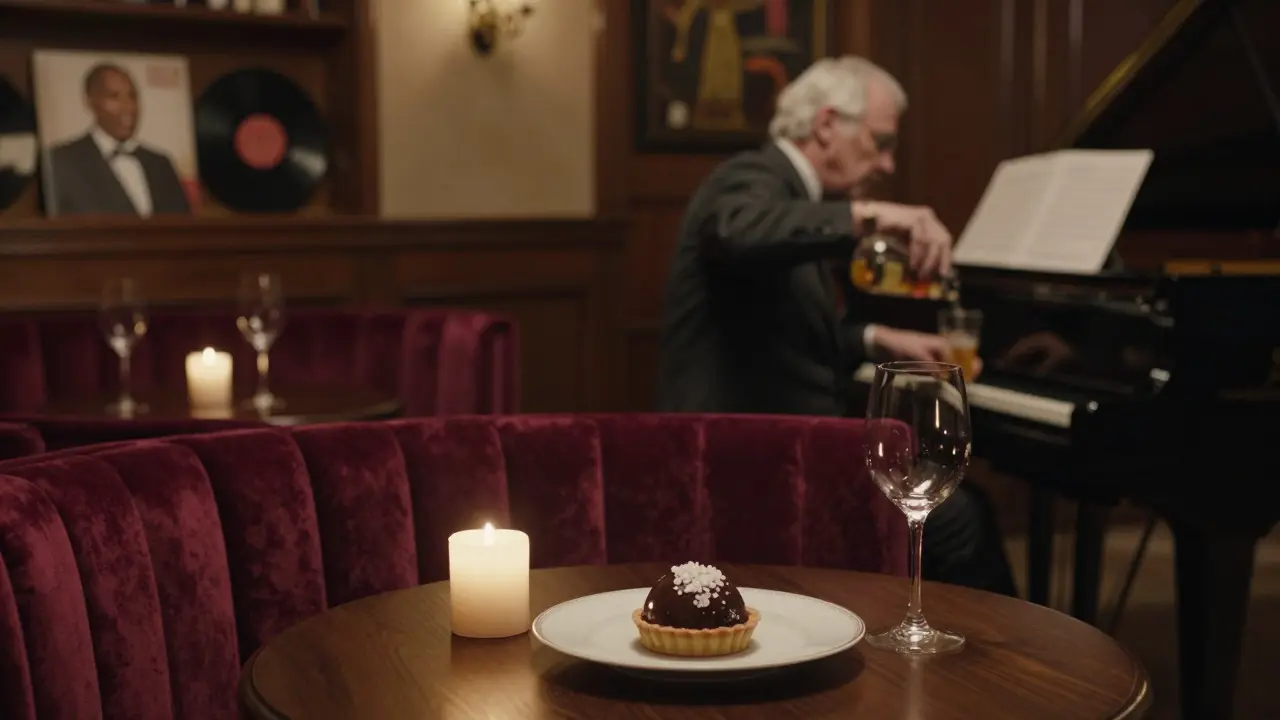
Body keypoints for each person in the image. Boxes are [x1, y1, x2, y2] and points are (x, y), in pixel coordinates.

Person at [659, 55, 1018, 596]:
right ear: (826, 126)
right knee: (962, 522)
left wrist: (878, 340)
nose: (889, 164)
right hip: (743, 457)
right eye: (880, 141)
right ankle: (998, 671)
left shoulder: (801, 202)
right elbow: (737, 230)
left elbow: (788, 334)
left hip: (786, 447)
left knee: (964, 508)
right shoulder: (752, 177)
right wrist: (874, 216)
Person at [45, 62, 191, 218]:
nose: (128, 107)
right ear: (91, 102)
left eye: (132, 96)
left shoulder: (161, 163)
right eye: (114, 97)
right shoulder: (60, 162)